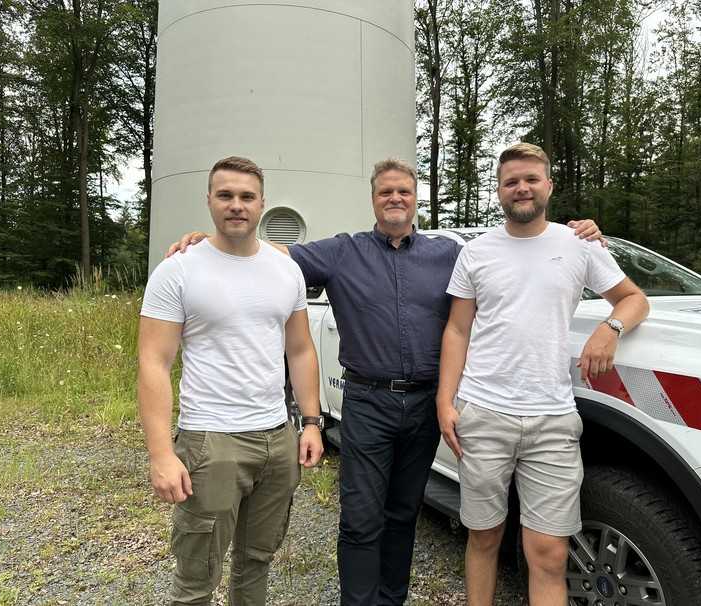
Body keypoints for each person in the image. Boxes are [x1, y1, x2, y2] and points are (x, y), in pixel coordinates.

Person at [167, 157, 603, 606]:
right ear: (374, 200)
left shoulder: (449, 254)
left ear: (417, 200)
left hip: (424, 405)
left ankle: (390, 599)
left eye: (404, 192)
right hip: (368, 402)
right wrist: (211, 242)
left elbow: (507, 260)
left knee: (402, 514)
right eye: (385, 192)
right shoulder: (342, 252)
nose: (395, 199)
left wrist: (585, 234)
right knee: (360, 517)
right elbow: (271, 254)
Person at [436, 142, 649, 606]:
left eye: (531, 178)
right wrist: (445, 402)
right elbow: (457, 329)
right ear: (499, 191)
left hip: (552, 419)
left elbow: (634, 298)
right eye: (511, 181)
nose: (522, 188)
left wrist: (608, 330)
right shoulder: (476, 253)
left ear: (549, 185)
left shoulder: (579, 245)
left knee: (549, 552)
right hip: (483, 412)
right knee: (484, 536)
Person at [138, 155, 324, 606]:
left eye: (246, 196)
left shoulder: (285, 269)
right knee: (197, 576)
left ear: (262, 204)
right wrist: (162, 454)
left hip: (276, 439)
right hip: (210, 442)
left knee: (256, 562)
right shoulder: (179, 269)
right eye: (225, 195)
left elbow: (299, 349)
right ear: (209, 201)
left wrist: (313, 422)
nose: (236, 205)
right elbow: (152, 363)